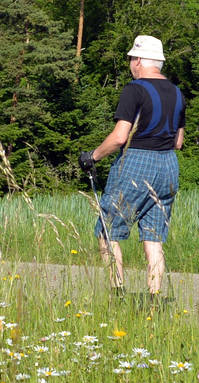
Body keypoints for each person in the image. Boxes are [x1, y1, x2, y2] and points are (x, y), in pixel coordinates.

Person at [78, 34, 185, 302]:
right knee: (154, 236)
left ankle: (117, 294)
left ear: (138, 60)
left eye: (130, 59)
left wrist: (93, 156)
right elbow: (179, 142)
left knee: (108, 229)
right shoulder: (177, 92)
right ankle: (155, 299)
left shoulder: (134, 90)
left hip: (137, 162)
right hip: (169, 165)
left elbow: (119, 137)